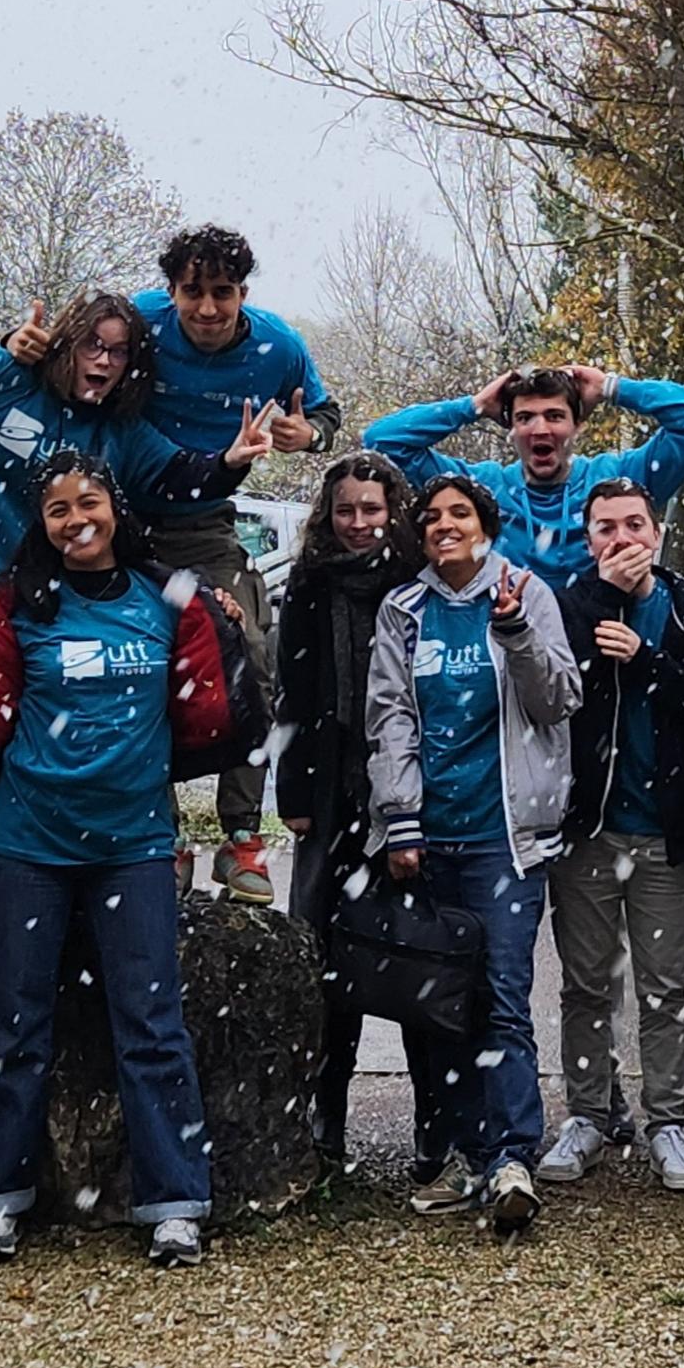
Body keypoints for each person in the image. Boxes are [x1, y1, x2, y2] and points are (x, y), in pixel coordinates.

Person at [0, 451, 256, 1269]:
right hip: (27, 842)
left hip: (134, 845)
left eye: (89, 502)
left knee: (151, 1026)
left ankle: (175, 1201)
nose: (76, 520)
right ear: (39, 524)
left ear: (115, 508)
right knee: (12, 1020)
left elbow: (206, 718)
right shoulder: (12, 602)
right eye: (57, 509)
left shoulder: (167, 598)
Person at [0, 227, 337, 902]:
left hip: (200, 517)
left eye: (222, 293)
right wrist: (21, 347)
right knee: (131, 666)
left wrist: (309, 435)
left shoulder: (279, 346)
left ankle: (240, 835)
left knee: (246, 648)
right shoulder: (140, 321)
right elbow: (70, 360)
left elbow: (325, 417)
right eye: (193, 292)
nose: (207, 309)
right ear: (170, 291)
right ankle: (165, 833)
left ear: (244, 293)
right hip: (105, 516)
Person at [367, 474, 582, 1235]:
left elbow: (559, 699)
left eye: (459, 514)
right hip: (429, 837)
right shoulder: (404, 609)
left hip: (507, 839)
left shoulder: (527, 592)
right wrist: (400, 820)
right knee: (438, 1005)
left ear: (485, 525)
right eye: (430, 517)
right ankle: (466, 1154)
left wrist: (517, 631)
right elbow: (389, 715)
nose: (443, 526)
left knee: (500, 996)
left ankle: (513, 1158)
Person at [540, 478, 684, 1193]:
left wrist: (646, 660)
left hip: (666, 834)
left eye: (632, 526)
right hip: (588, 829)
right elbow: (553, 690)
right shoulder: (567, 604)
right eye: (604, 529)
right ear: (587, 539)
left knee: (663, 988)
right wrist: (601, 605)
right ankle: (589, 1113)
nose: (620, 541)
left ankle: (664, 1122)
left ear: (655, 533)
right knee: (585, 984)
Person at [0, 280, 274, 629]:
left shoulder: (120, 431)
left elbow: (186, 477)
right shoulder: (6, 376)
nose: (103, 359)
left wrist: (231, 460)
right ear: (68, 343)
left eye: (118, 352)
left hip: (34, 606)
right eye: (93, 345)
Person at [273, 451, 438, 1173]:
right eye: (346, 510)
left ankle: (435, 1123)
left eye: (372, 509)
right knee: (324, 961)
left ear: (393, 512)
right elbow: (292, 693)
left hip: (408, 789)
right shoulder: (309, 583)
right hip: (330, 791)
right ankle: (323, 1116)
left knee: (418, 959)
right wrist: (295, 795)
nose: (359, 524)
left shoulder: (420, 584)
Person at [363, 365, 684, 589]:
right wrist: (472, 406)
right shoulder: (480, 491)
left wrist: (612, 388)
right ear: (510, 428)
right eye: (525, 418)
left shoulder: (617, 481)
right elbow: (382, 442)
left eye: (554, 416)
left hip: (606, 665)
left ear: (578, 424)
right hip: (510, 671)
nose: (540, 429)